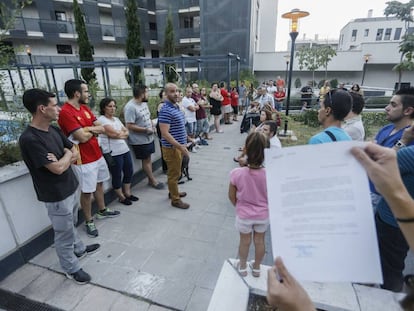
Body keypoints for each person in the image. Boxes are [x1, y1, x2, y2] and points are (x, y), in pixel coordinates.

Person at [19, 88, 100, 285]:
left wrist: (65, 156)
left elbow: (73, 149)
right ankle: (70, 268)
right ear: (41, 109)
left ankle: (79, 249)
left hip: (70, 187)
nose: (59, 109)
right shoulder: (30, 139)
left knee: (71, 223)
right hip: (55, 195)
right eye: (54, 105)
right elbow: (57, 168)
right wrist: (66, 157)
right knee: (63, 233)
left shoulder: (53, 130)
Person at [58, 79, 120, 238]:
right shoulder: (66, 112)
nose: (88, 94)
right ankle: (88, 220)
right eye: (86, 91)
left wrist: (88, 129)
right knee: (87, 192)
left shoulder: (84, 108)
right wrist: (93, 130)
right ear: (76, 93)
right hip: (83, 159)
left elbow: (102, 127)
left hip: (97, 154)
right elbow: (81, 137)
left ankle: (102, 210)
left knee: (99, 183)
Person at [229, 132, 270, 278]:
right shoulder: (270, 174)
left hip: (244, 215)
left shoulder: (236, 173)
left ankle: (242, 267)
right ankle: (257, 268)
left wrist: (240, 206)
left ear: (245, 149)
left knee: (244, 241)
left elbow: (231, 196)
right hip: (263, 215)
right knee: (260, 241)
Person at [370, 87, 414, 208]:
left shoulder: (410, 138)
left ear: (408, 110)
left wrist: (402, 141)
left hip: (384, 200)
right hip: (368, 189)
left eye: (393, 105)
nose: (387, 108)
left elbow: (386, 166)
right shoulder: (386, 129)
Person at [98, 98, 138, 205]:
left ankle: (127, 193)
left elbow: (126, 132)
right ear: (103, 108)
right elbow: (114, 134)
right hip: (112, 153)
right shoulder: (102, 120)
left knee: (129, 171)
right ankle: (121, 196)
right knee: (117, 175)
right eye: (109, 106)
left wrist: (120, 134)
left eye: (114, 106)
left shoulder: (116, 119)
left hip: (124, 150)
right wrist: (120, 134)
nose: (113, 108)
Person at [124, 84, 165, 190]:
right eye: (147, 92)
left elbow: (148, 117)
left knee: (148, 159)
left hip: (149, 137)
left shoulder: (143, 103)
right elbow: (129, 125)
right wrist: (146, 130)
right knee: (146, 159)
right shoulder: (130, 107)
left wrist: (152, 126)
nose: (148, 95)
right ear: (141, 94)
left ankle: (150, 179)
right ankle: (153, 180)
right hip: (139, 140)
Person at [158, 83, 190, 209]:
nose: (176, 93)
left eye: (177, 91)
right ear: (166, 94)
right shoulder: (165, 110)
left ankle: (173, 192)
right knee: (174, 174)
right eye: (172, 91)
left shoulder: (176, 107)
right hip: (172, 148)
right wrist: (180, 147)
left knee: (176, 172)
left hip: (179, 146)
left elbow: (180, 127)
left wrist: (187, 139)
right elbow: (165, 134)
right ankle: (175, 200)